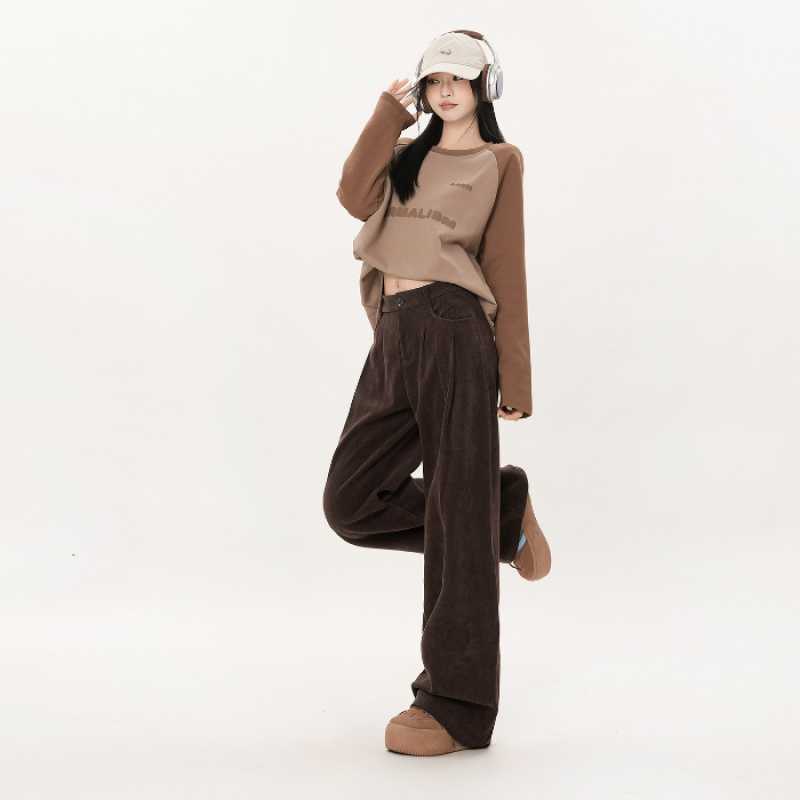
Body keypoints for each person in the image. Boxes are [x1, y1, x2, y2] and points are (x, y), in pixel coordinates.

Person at [323, 30, 552, 756]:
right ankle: (498, 510)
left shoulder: (499, 162)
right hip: (394, 331)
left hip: (454, 329)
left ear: (485, 87)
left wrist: (515, 375)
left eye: (459, 79)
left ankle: (456, 704)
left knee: (457, 513)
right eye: (434, 81)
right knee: (350, 502)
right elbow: (352, 197)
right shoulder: (403, 155)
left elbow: (505, 264)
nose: (446, 90)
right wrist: (387, 114)